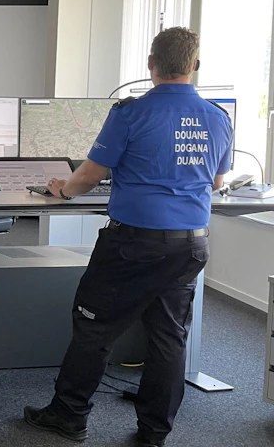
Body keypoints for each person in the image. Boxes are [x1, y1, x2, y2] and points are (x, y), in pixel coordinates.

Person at [23, 27, 232, 447]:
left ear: (151, 66)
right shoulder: (218, 117)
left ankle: (69, 416)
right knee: (169, 335)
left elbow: (88, 176)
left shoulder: (131, 113)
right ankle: (155, 431)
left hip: (134, 245)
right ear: (194, 66)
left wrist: (61, 190)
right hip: (190, 244)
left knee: (94, 328)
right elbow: (217, 180)